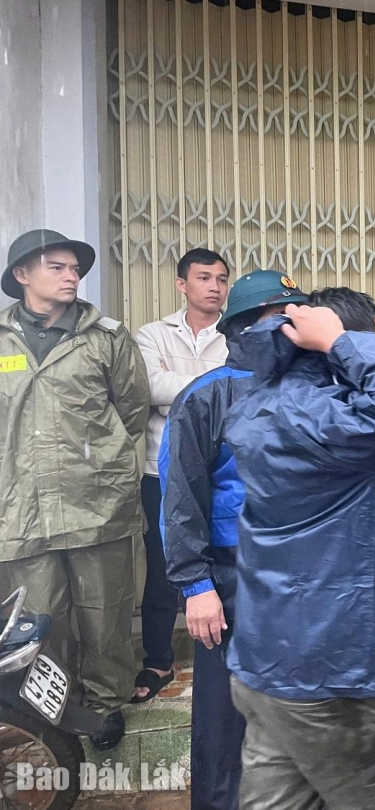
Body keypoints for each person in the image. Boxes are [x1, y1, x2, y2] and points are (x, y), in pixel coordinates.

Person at [222, 289, 375, 809]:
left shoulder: (265, 402)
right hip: (334, 675)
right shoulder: (326, 421)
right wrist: (342, 340)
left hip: (267, 663)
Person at [160, 271, 307, 810]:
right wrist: (195, 585)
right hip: (229, 573)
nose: (296, 326)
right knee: (226, 715)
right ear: (247, 327)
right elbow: (179, 500)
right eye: (283, 317)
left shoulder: (308, 390)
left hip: (296, 571)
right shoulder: (206, 397)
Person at [0, 229, 149, 750]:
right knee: (39, 616)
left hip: (96, 499)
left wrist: (104, 465)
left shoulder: (106, 336)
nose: (71, 276)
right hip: (20, 504)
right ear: (22, 275)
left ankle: (106, 703)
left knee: (105, 610)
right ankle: (52, 711)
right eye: (57, 267)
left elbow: (132, 410)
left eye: (74, 268)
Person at [132, 248, 231, 704]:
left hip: (219, 476)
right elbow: (149, 388)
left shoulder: (235, 334)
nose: (215, 286)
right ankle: (158, 659)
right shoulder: (151, 334)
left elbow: (238, 390)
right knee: (162, 568)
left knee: (221, 564)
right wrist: (215, 382)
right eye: (204, 277)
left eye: (222, 279)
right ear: (181, 284)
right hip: (160, 472)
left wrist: (183, 380)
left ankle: (220, 645)